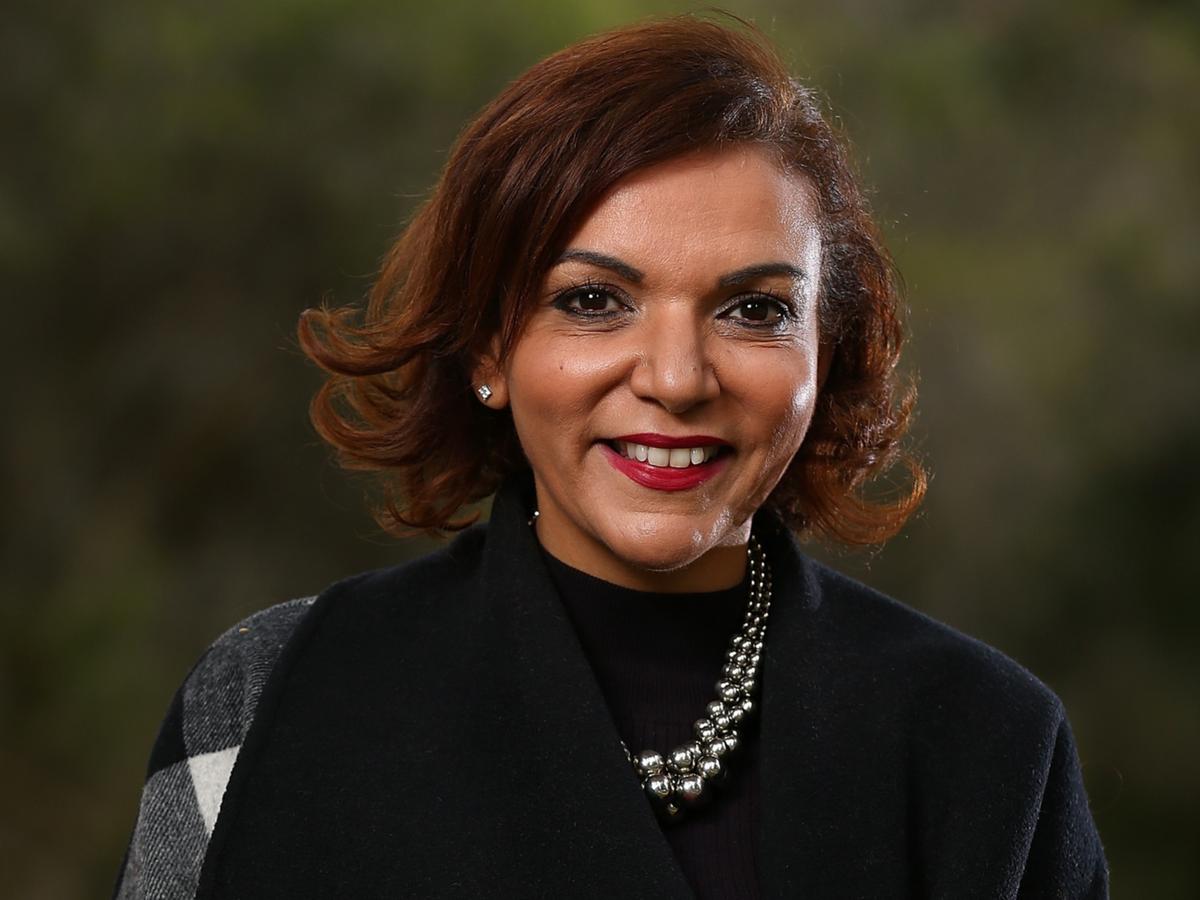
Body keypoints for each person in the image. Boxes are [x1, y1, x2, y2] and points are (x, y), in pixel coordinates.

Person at [113, 14, 1109, 900]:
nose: (676, 379)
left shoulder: (992, 746)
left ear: (826, 352)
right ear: (489, 351)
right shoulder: (265, 702)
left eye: (753, 310)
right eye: (593, 301)